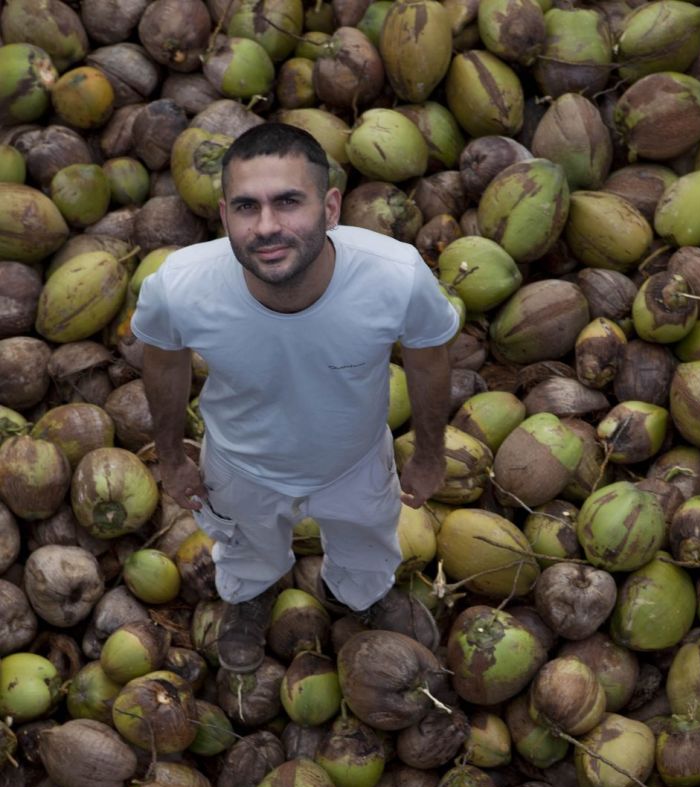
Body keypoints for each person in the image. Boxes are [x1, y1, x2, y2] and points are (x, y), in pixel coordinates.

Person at [132, 122, 460, 672]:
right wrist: (169, 456)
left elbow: (429, 355)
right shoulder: (179, 287)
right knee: (244, 549)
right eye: (246, 207)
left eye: (288, 202)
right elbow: (163, 360)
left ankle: (362, 595)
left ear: (331, 207)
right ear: (223, 216)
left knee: (367, 543)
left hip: (354, 461)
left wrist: (429, 454)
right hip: (241, 463)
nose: (267, 227)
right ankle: (250, 595)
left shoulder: (395, 275)